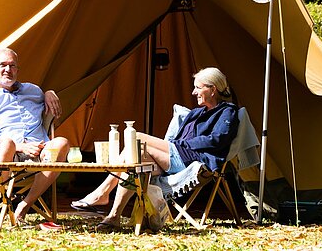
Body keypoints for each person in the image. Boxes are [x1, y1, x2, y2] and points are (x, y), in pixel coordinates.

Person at [71, 67, 239, 231]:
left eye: (198, 87)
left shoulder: (227, 112)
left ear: (213, 89)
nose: (194, 92)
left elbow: (218, 139)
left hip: (194, 159)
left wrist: (183, 144)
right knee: (134, 159)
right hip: (176, 155)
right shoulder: (197, 113)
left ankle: (102, 193)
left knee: (137, 138)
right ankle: (114, 216)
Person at [0, 47, 69, 232]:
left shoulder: (34, 91)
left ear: (18, 69)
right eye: (3, 65)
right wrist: (21, 147)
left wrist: (49, 92)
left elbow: (47, 98)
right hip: (7, 153)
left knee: (62, 143)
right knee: (6, 143)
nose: (7, 70)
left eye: (12, 66)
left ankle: (24, 206)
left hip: (40, 151)